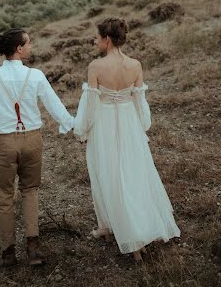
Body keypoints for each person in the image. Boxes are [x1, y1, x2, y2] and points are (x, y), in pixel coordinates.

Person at [74, 17, 180, 262]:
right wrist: (142, 126)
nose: (94, 40)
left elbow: (90, 106)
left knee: (107, 173)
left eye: (97, 37)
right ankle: (113, 225)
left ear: (107, 39)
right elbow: (139, 101)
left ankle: (125, 232)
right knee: (133, 173)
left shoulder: (95, 67)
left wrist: (82, 130)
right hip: (129, 121)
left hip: (105, 124)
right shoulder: (135, 65)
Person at [0, 27, 74, 267]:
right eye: (29, 43)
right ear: (19, 49)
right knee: (30, 191)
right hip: (32, 140)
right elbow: (54, 105)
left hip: (4, 142)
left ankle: (8, 253)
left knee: (4, 196)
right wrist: (70, 124)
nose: (32, 46)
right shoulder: (36, 75)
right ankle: (33, 249)